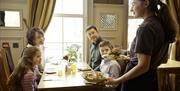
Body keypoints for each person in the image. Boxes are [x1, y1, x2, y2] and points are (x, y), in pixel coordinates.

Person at [105, 0, 176, 91]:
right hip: (151, 81)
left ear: (146, 3)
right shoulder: (160, 24)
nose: (131, 9)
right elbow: (162, 59)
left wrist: (116, 80)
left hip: (136, 83)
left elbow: (143, 66)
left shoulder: (145, 28)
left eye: (133, 4)